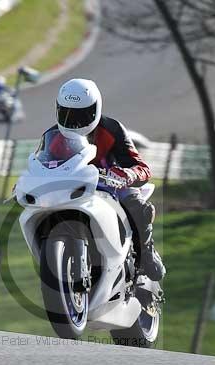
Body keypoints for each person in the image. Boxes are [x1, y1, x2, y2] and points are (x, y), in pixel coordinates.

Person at [49, 78, 166, 281]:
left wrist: (127, 174)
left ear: (95, 110)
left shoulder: (112, 129)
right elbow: (41, 166)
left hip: (111, 185)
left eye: (80, 115)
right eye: (66, 114)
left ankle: (146, 253)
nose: (73, 122)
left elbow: (142, 168)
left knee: (137, 205)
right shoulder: (53, 136)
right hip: (72, 189)